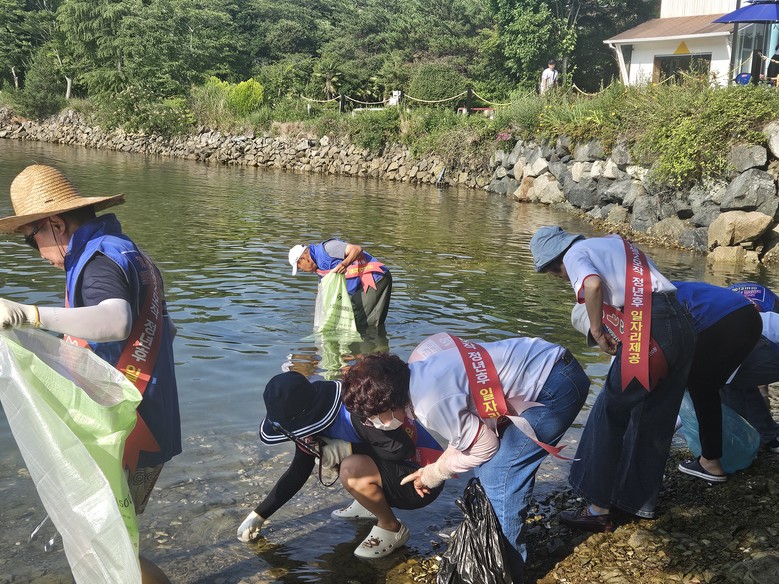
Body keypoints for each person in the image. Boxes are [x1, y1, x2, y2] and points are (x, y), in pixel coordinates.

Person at [0, 164, 181, 583]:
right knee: (112, 543)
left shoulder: (97, 260)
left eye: (31, 238)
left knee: (109, 547)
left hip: (126, 432)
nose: (37, 252)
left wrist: (30, 315)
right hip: (151, 421)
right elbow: (167, 329)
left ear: (55, 224)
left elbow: (115, 320)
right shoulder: (128, 251)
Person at [341, 334, 590, 581]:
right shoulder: (419, 373)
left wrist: (434, 473)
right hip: (549, 362)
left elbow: (485, 447)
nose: (372, 423)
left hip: (554, 384)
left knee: (498, 477)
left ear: (390, 402)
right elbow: (466, 436)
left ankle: (505, 573)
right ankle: (495, 545)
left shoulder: (430, 403)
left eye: (373, 417)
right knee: (486, 471)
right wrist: (437, 466)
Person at [530, 226, 695, 532]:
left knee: (609, 413)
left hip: (649, 330)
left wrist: (596, 330)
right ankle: (637, 503)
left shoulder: (575, 254)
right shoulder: (615, 245)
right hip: (681, 325)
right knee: (655, 418)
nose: (558, 277)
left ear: (555, 262)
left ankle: (598, 508)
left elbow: (592, 285)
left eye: (553, 272)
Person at [236, 371, 444, 559]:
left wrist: (349, 448)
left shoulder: (355, 412)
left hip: (421, 479)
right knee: (341, 459)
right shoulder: (309, 426)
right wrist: (259, 515)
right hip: (396, 472)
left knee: (350, 468)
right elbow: (298, 471)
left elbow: (402, 449)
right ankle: (369, 502)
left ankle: (391, 527)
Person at [672, 281, 762, 480]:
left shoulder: (643, 301)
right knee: (706, 388)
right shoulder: (655, 285)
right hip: (749, 317)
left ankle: (711, 462)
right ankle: (720, 455)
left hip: (725, 320)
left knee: (700, 387)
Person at [289, 238, 392, 332]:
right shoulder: (319, 268)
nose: (302, 270)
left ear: (304, 258)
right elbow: (321, 293)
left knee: (366, 325)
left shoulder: (328, 248)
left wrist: (344, 264)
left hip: (376, 279)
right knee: (352, 319)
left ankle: (374, 344)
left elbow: (357, 249)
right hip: (360, 287)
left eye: (299, 267)